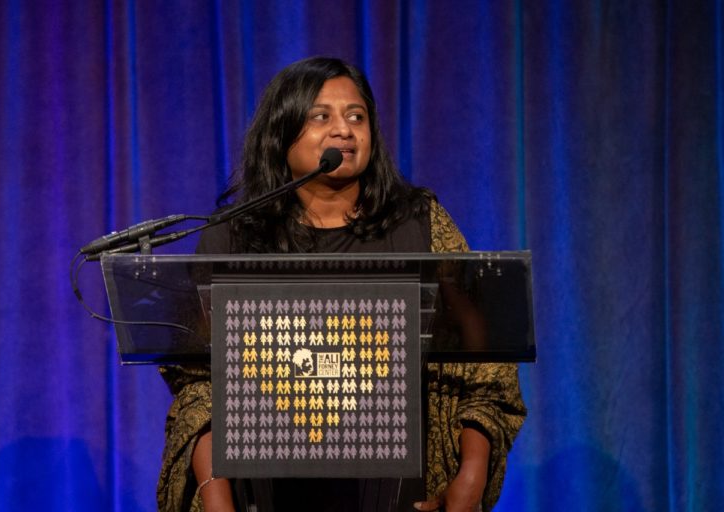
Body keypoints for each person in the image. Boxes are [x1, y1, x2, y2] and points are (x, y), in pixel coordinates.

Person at [157, 56, 526, 512]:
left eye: (357, 117)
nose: (344, 131)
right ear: (280, 131)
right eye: (321, 117)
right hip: (265, 495)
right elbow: (198, 387)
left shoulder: (420, 224)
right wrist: (218, 502)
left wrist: (470, 477)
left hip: (399, 495)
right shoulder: (234, 237)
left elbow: (487, 368)